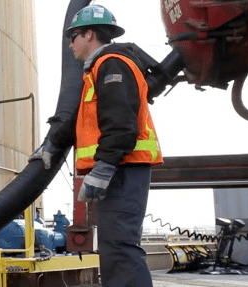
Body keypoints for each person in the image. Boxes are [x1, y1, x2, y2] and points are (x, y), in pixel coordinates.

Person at [30, 5, 163, 287]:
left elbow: (122, 123)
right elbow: (81, 119)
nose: (70, 44)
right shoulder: (100, 69)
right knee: (115, 248)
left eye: (74, 36)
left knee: (121, 249)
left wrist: (103, 168)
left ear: (89, 34)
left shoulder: (113, 64)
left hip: (122, 169)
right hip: (119, 169)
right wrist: (52, 144)